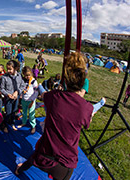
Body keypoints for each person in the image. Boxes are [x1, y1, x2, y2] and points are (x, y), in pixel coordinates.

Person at [15, 52, 94, 180]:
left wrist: (42, 88)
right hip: (65, 164)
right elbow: (87, 123)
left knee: (31, 160)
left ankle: (20, 169)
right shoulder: (86, 108)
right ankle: (21, 168)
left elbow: (44, 95)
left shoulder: (54, 97)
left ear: (66, 80)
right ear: (83, 83)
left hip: (44, 155)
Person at [0, 60, 26, 132]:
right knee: (8, 112)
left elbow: (23, 85)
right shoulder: (4, 77)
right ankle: (5, 125)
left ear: (15, 68)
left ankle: (12, 123)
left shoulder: (19, 76)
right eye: (7, 69)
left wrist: (17, 92)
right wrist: (7, 94)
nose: (8, 71)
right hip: (8, 99)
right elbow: (2, 88)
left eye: (10, 69)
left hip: (16, 98)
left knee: (14, 111)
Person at [18, 66, 38, 134]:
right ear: (23, 74)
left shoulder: (33, 81)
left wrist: (32, 101)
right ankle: (24, 122)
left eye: (29, 75)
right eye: (26, 75)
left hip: (31, 101)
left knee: (31, 114)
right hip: (24, 100)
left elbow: (36, 92)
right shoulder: (23, 80)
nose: (28, 77)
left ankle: (33, 126)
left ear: (31, 74)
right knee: (24, 112)